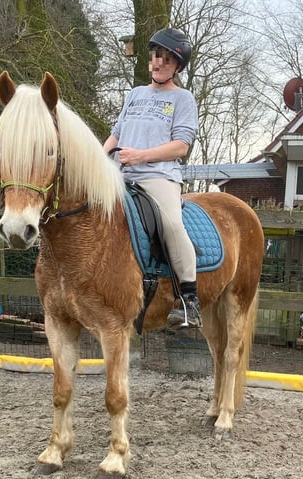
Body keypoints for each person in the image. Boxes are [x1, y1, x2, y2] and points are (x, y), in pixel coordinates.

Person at [103, 27, 201, 329]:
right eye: (157, 56)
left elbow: (181, 146)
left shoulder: (183, 99)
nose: (159, 62)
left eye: (167, 59)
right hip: (121, 174)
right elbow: (116, 134)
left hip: (158, 177)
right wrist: (99, 158)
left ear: (177, 67)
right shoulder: (135, 95)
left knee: (171, 224)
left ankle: (189, 299)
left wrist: (141, 156)